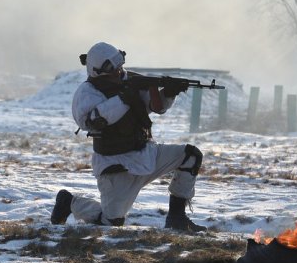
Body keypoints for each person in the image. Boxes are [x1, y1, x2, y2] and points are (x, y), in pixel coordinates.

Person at [50, 42, 206, 232]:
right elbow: (91, 121)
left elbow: (156, 107)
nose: (119, 71)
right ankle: (70, 203)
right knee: (111, 224)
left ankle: (177, 218)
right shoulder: (87, 93)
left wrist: (168, 93)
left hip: (146, 154)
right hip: (116, 166)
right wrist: (124, 98)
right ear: (98, 71)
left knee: (190, 155)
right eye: (113, 69)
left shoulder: (129, 80)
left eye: (119, 65)